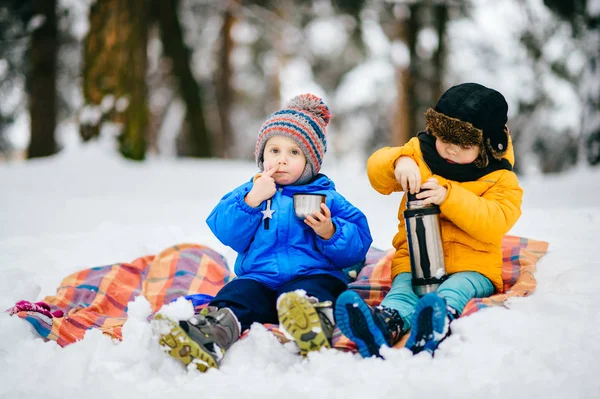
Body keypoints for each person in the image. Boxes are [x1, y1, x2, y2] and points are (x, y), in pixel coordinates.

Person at [153, 93, 372, 372]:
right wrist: (251, 202)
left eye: (294, 153)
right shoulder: (252, 191)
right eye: (274, 150)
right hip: (260, 278)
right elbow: (225, 230)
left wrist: (330, 231)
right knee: (237, 293)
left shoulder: (327, 197)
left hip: (312, 275)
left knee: (315, 290)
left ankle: (312, 321)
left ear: (311, 161)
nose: (282, 160)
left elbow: (359, 244)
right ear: (262, 155)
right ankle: (212, 334)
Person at [334, 83, 523, 357]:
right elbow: (376, 170)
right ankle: (382, 325)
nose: (451, 150)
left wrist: (449, 197)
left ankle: (434, 321)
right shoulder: (420, 153)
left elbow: (493, 221)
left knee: (453, 291)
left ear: (487, 146)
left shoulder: (501, 179)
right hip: (415, 261)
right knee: (402, 293)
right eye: (444, 139)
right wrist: (399, 161)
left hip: (472, 267)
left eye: (463, 144)